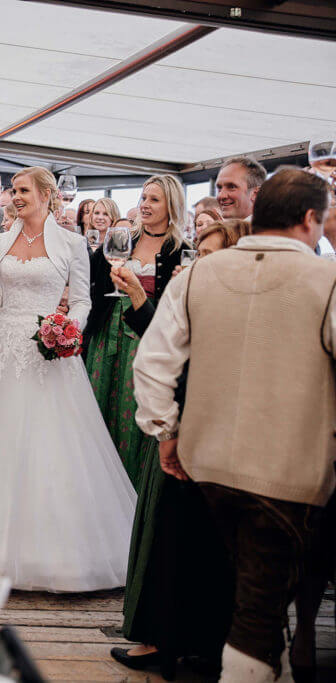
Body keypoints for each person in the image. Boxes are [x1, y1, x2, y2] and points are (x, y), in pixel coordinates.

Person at [133, 168, 336, 682]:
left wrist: (166, 432)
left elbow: (152, 363)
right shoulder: (327, 280)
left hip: (207, 465)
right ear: (312, 219)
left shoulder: (200, 274)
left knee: (243, 592)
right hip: (288, 472)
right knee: (259, 610)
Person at [0, 166, 135, 590]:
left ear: (47, 195)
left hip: (50, 347)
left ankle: (56, 553)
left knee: (53, 443)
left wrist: (68, 330)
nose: (15, 197)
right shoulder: (3, 240)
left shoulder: (71, 244)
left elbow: (84, 302)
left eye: (22, 190)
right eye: (12, 190)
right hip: (3, 346)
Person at [109, 221, 250, 680]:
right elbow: (164, 342)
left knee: (187, 537)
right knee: (168, 532)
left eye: (211, 256)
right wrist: (139, 296)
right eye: (199, 255)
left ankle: (177, 643)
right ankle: (169, 639)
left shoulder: (238, 307)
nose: (200, 264)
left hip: (201, 428)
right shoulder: (200, 297)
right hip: (181, 424)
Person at [85, 175, 191, 486]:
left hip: (146, 339)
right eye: (143, 198)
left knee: (132, 413)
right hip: (107, 335)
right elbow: (90, 279)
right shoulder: (122, 238)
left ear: (171, 205)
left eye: (154, 200)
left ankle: (128, 487)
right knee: (97, 403)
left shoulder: (181, 249)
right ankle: (92, 483)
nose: (145, 205)